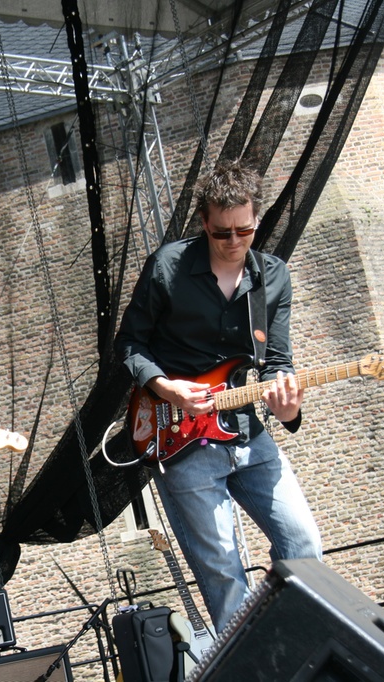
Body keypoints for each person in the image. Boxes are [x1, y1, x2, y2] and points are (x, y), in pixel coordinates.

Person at [114, 159, 322, 634]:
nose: (233, 242)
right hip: (182, 440)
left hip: (248, 431)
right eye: (222, 232)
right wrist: (165, 387)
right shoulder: (168, 266)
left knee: (304, 544)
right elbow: (127, 344)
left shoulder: (273, 277)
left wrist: (288, 406)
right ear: (204, 223)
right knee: (224, 576)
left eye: (244, 231)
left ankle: (280, 642)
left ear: (256, 222)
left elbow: (277, 362)